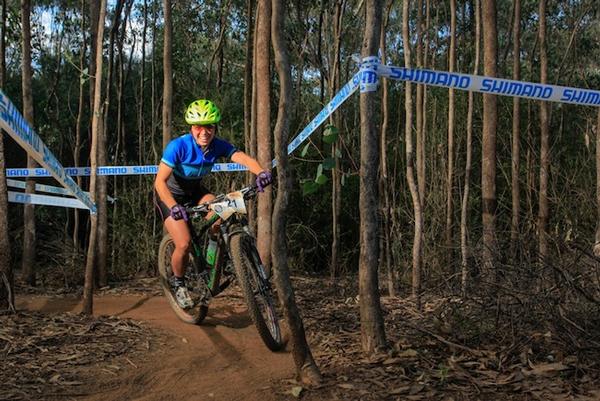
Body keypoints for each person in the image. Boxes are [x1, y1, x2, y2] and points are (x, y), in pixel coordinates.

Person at [154, 99, 272, 309]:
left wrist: (261, 172)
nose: (204, 132)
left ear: (214, 127)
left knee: (225, 211)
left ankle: (210, 262)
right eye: (199, 127)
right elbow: (159, 182)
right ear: (192, 127)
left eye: (209, 126)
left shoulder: (217, 145)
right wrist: (173, 206)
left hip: (196, 192)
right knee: (183, 243)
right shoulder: (178, 146)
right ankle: (179, 284)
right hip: (170, 197)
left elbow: (242, 157)